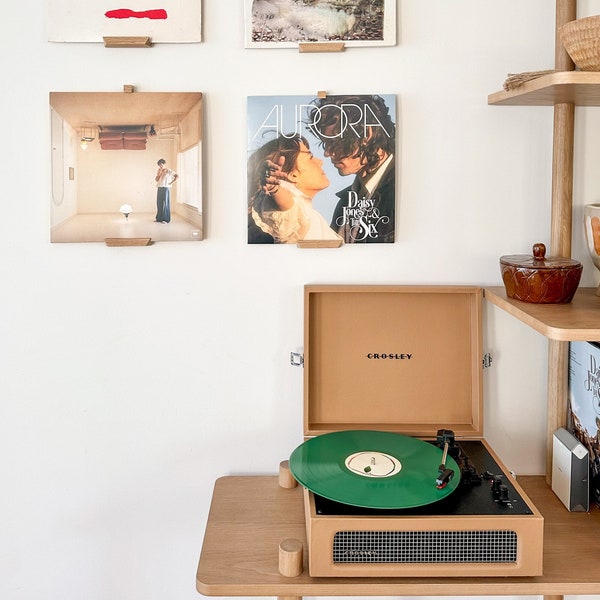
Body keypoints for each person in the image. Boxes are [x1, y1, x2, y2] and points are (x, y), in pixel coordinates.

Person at [307, 95, 395, 243]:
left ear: (366, 134)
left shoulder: (405, 189)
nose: (327, 152)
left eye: (334, 142)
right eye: (325, 143)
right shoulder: (345, 202)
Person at [247, 134, 341, 244]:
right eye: (310, 157)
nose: (320, 161)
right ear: (293, 175)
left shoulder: (309, 215)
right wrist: (274, 189)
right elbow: (285, 206)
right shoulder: (294, 214)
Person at [155, 158, 178, 223]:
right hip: (160, 188)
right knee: (159, 203)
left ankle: (165, 219)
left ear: (164, 164)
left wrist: (171, 183)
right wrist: (159, 174)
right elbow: (157, 180)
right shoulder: (159, 170)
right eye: (159, 165)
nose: (161, 166)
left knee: (166, 203)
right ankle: (159, 218)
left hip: (165, 188)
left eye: (162, 165)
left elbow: (177, 176)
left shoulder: (168, 170)